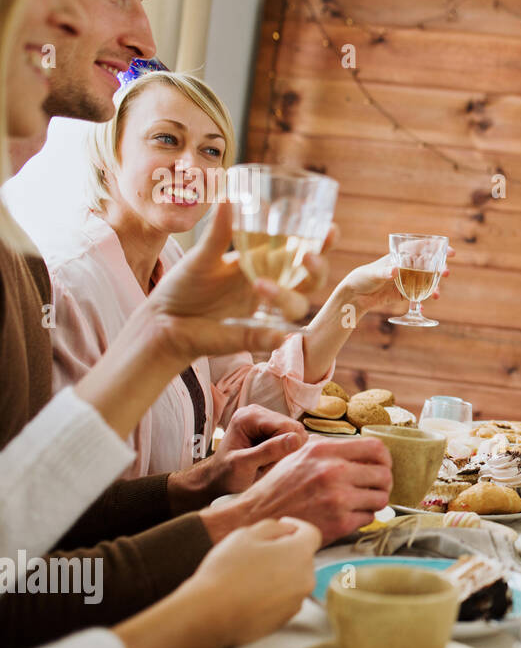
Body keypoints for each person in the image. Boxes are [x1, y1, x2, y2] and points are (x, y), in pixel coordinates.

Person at [0, 0, 322, 648]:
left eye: (211, 148)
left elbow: (6, 531)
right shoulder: (55, 268)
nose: (138, 39)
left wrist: (166, 342)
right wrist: (206, 580)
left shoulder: (16, 253)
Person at [45, 69, 407, 478]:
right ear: (107, 150)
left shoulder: (177, 262)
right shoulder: (68, 283)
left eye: (211, 151)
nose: (191, 167)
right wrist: (209, 485)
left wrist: (349, 302)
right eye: (167, 139)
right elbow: (61, 489)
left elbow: (245, 400)